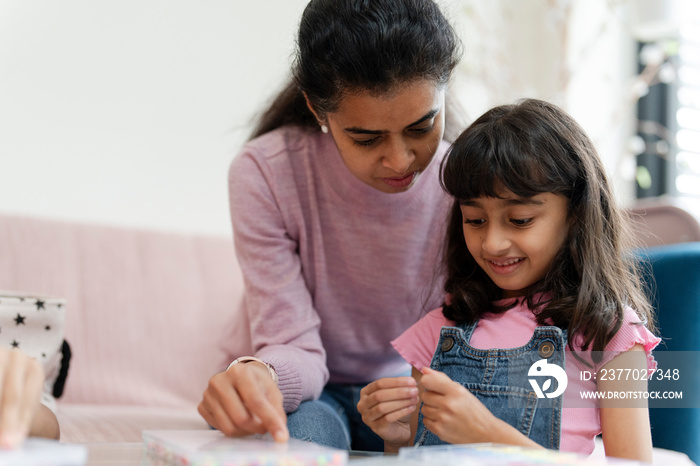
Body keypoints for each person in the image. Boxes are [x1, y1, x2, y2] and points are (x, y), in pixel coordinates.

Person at [197, 0, 463, 451]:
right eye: (367, 138)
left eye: (422, 127)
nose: (400, 160)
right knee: (303, 442)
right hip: (300, 391)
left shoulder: (464, 182)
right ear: (318, 110)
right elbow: (292, 344)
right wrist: (259, 378)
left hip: (404, 391)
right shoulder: (266, 175)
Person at [357, 98, 660, 463]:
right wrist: (397, 438)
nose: (492, 243)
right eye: (475, 220)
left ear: (576, 214)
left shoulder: (609, 335)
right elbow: (416, 455)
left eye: (519, 220)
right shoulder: (439, 332)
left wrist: (488, 434)